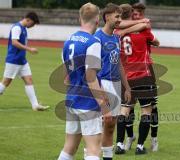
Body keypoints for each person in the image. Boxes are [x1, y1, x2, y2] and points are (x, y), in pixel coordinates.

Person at [58, 3, 108, 160]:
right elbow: (90, 77)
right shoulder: (93, 42)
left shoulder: (68, 41)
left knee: (69, 147)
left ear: (80, 18)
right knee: (93, 149)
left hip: (72, 100)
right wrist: (104, 105)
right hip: (87, 102)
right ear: (97, 20)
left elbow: (65, 77)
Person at [115, 3, 160, 155]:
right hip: (143, 75)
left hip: (126, 77)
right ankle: (140, 146)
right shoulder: (144, 30)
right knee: (147, 110)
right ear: (132, 14)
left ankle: (120, 144)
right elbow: (157, 41)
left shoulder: (116, 31)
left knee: (124, 110)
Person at [94, 3, 131, 160]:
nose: (119, 19)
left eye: (121, 16)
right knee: (98, 126)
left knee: (110, 127)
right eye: (117, 16)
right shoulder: (96, 38)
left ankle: (107, 157)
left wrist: (127, 87)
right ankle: (92, 155)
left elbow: (119, 63)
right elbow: (91, 69)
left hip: (116, 84)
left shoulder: (116, 37)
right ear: (107, 17)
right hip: (102, 84)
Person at [0, 12, 49, 111]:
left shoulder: (24, 29)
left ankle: (35, 105)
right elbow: (14, 42)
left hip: (22, 61)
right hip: (13, 60)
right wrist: (29, 49)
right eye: (33, 24)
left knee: (29, 80)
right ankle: (35, 105)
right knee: (5, 83)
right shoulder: (17, 28)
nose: (33, 26)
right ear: (28, 20)